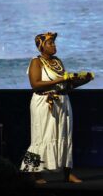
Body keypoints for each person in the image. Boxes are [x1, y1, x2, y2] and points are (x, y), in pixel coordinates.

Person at [20, 32, 92, 185]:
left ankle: (67, 173)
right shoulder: (36, 62)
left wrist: (82, 80)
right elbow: (35, 84)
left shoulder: (58, 61)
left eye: (54, 43)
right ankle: (35, 173)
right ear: (41, 46)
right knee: (40, 137)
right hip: (43, 102)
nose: (54, 45)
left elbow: (65, 85)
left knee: (64, 136)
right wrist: (62, 78)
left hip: (62, 101)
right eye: (50, 43)